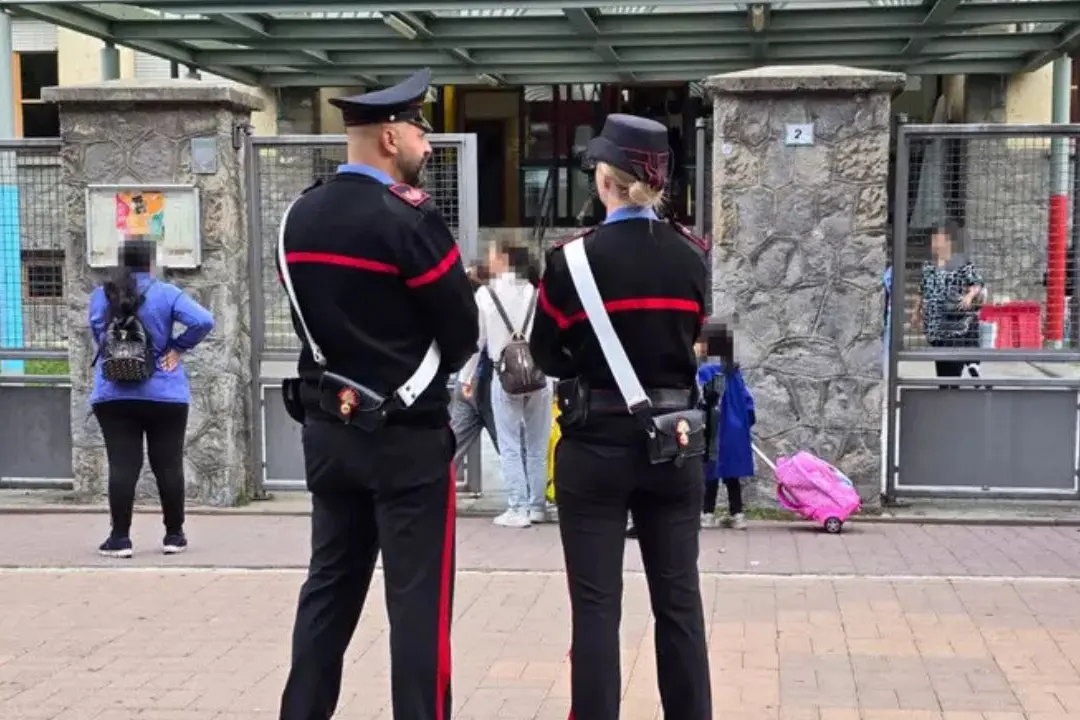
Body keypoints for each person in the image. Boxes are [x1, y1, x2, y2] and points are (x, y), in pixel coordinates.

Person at [275, 68, 478, 720]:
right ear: (390, 136)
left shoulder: (297, 216)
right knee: (418, 608)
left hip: (329, 435)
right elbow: (463, 331)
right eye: (420, 127)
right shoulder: (411, 221)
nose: (426, 140)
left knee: (328, 591)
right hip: (408, 441)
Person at [530, 113, 712, 720]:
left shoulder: (572, 262)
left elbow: (549, 354)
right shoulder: (692, 257)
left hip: (595, 443)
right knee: (680, 604)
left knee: (597, 609)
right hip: (673, 442)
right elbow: (695, 335)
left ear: (605, 181)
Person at [89, 238, 214, 558]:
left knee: (122, 465)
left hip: (114, 393)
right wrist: (177, 348)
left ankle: (119, 539)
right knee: (168, 463)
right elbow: (203, 321)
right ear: (150, 263)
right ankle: (174, 536)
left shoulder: (101, 296)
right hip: (165, 393)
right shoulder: (167, 293)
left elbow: (98, 334)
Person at [460, 239, 551, 528]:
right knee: (536, 444)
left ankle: (517, 506)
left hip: (506, 375)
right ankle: (537, 506)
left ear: (503, 258)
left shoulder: (486, 295)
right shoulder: (537, 292)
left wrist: (466, 377)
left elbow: (477, 342)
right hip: (540, 376)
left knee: (511, 443)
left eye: (490, 254)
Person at [696, 322, 755, 530]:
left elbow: (703, 400)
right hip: (734, 430)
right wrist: (746, 423)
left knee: (710, 472)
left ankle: (707, 513)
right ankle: (737, 514)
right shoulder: (733, 372)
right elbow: (747, 402)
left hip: (714, 431)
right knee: (732, 475)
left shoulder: (705, 372)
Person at [911, 219, 985, 381]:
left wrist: (969, 295)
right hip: (936, 327)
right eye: (933, 239)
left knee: (953, 370)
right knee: (942, 371)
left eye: (937, 239)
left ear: (948, 242)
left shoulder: (961, 264)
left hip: (954, 324)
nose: (934, 243)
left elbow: (977, 283)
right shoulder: (929, 266)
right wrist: (916, 312)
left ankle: (970, 364)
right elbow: (921, 289)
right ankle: (956, 379)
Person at [450, 263, 499, 480]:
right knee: (509, 447)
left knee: (452, 447)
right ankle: (528, 499)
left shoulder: (464, 305)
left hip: (466, 382)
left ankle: (438, 492)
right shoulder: (493, 302)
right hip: (488, 382)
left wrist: (465, 378)